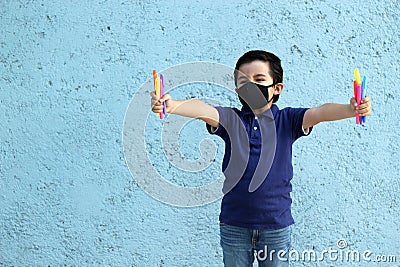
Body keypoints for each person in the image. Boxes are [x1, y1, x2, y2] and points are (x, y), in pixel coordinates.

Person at [150, 50, 372, 267]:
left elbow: (320, 113)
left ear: (277, 88)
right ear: (237, 90)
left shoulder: (288, 120)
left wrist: (350, 109)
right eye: (244, 82)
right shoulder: (230, 119)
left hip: (276, 226)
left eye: (259, 79)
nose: (251, 86)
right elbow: (203, 109)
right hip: (234, 225)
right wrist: (173, 105)